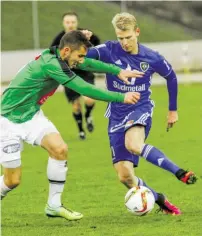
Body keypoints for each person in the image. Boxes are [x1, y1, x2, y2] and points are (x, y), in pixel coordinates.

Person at [0, 30, 144, 221]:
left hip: (31, 115)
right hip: (7, 120)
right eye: (79, 56)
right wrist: (121, 97)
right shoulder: (52, 65)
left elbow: (87, 62)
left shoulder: (58, 54)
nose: (82, 60)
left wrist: (117, 70)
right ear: (66, 50)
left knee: (60, 149)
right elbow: (84, 88)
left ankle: (54, 205)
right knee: (12, 180)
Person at [86, 13, 197, 215]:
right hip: (116, 113)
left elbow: (171, 77)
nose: (125, 42)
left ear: (137, 32)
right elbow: (79, 58)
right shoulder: (108, 50)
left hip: (140, 108)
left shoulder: (151, 57)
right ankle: (160, 199)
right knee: (125, 176)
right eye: (121, 38)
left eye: (128, 37)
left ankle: (179, 172)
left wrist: (173, 110)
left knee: (133, 145)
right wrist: (82, 40)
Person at [51, 12, 101, 140]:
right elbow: (53, 54)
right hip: (69, 75)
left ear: (77, 23)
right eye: (67, 22)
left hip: (85, 72)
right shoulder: (59, 39)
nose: (70, 25)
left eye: (73, 22)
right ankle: (81, 130)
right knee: (76, 105)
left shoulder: (84, 34)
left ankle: (88, 116)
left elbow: (97, 45)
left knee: (90, 99)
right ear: (63, 24)